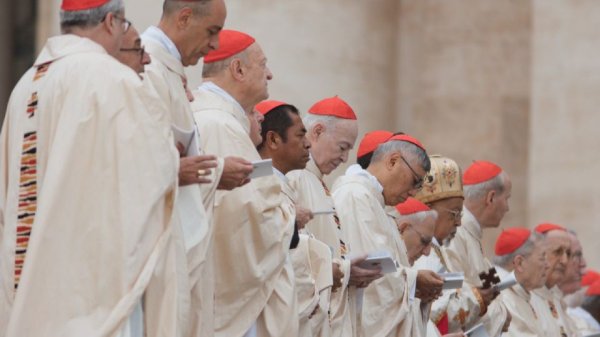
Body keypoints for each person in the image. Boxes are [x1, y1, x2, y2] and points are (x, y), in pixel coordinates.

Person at [0, 0, 179, 336]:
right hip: (89, 289)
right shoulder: (113, 80)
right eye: (125, 26)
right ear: (111, 22)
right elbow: (151, 173)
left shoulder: (25, 86)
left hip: (28, 280)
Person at [142, 3, 255, 336]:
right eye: (212, 32)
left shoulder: (168, 70)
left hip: (177, 240)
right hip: (154, 247)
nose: (215, 46)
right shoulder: (146, 65)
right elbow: (133, 158)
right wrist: (214, 171)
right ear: (185, 17)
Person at [191, 30, 298, 337]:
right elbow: (245, 220)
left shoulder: (214, 118)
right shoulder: (220, 125)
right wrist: (289, 216)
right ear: (238, 69)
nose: (270, 73)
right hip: (228, 302)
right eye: (262, 64)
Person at [287, 96, 382, 337]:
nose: (345, 158)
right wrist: (345, 270)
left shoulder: (318, 182)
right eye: (342, 147)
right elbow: (297, 253)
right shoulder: (296, 178)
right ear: (317, 131)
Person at [332, 134, 444, 337]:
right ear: (393, 161)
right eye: (415, 181)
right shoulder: (355, 196)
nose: (413, 192)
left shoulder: (376, 203)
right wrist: (414, 281)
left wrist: (416, 289)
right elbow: (370, 277)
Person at [256, 99, 333, 337]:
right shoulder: (259, 184)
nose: (308, 144)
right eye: (301, 135)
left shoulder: (283, 183)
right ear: (273, 139)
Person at [413, 156, 496, 337]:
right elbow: (434, 311)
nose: (458, 222)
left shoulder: (445, 244)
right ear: (427, 208)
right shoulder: (421, 254)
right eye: (454, 213)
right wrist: (478, 298)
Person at [444, 160, 511, 336]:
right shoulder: (454, 233)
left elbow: (487, 282)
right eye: (507, 199)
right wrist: (501, 316)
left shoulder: (473, 235)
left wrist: (502, 311)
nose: (508, 208)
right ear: (490, 198)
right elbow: (451, 297)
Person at [492, 228, 548, 337]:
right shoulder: (501, 296)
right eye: (542, 258)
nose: (547, 265)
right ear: (519, 263)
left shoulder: (518, 290)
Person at [529, 223, 577, 337]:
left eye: (568, 253)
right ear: (539, 253)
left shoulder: (556, 296)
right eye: (558, 251)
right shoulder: (525, 296)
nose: (565, 261)